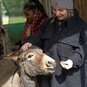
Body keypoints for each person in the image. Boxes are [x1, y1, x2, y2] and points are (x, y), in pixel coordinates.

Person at [21, 0, 87, 87]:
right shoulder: (48, 24)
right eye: (54, 9)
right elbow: (38, 35)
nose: (57, 13)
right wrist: (30, 42)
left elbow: (83, 48)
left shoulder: (81, 26)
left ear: (69, 9)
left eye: (61, 10)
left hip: (69, 79)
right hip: (48, 78)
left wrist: (72, 61)